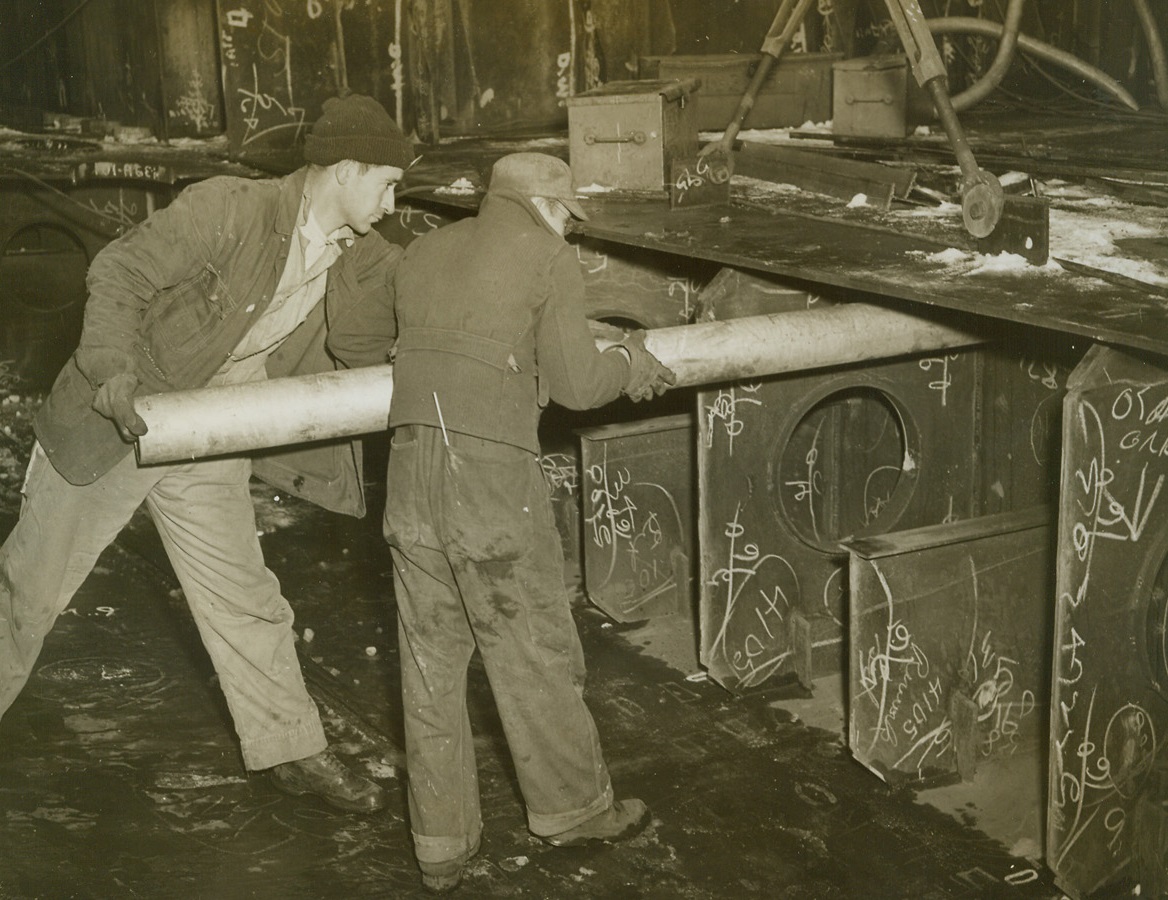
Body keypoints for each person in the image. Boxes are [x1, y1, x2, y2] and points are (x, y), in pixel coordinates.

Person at [0, 92, 412, 813]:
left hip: (210, 428)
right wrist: (112, 369)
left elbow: (422, 290)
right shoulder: (232, 208)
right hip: (121, 419)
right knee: (29, 593)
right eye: (387, 183)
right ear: (345, 170)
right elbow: (120, 272)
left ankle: (291, 748)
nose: (393, 201)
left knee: (243, 597)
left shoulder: (364, 254)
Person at [378, 151, 676, 892]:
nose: (570, 229)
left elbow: (385, 342)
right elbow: (577, 385)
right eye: (569, 216)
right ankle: (573, 811)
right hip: (487, 481)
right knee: (532, 644)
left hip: (409, 472)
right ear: (546, 208)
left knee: (429, 662)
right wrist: (631, 363)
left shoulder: (422, 251)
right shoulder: (547, 254)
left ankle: (441, 843)